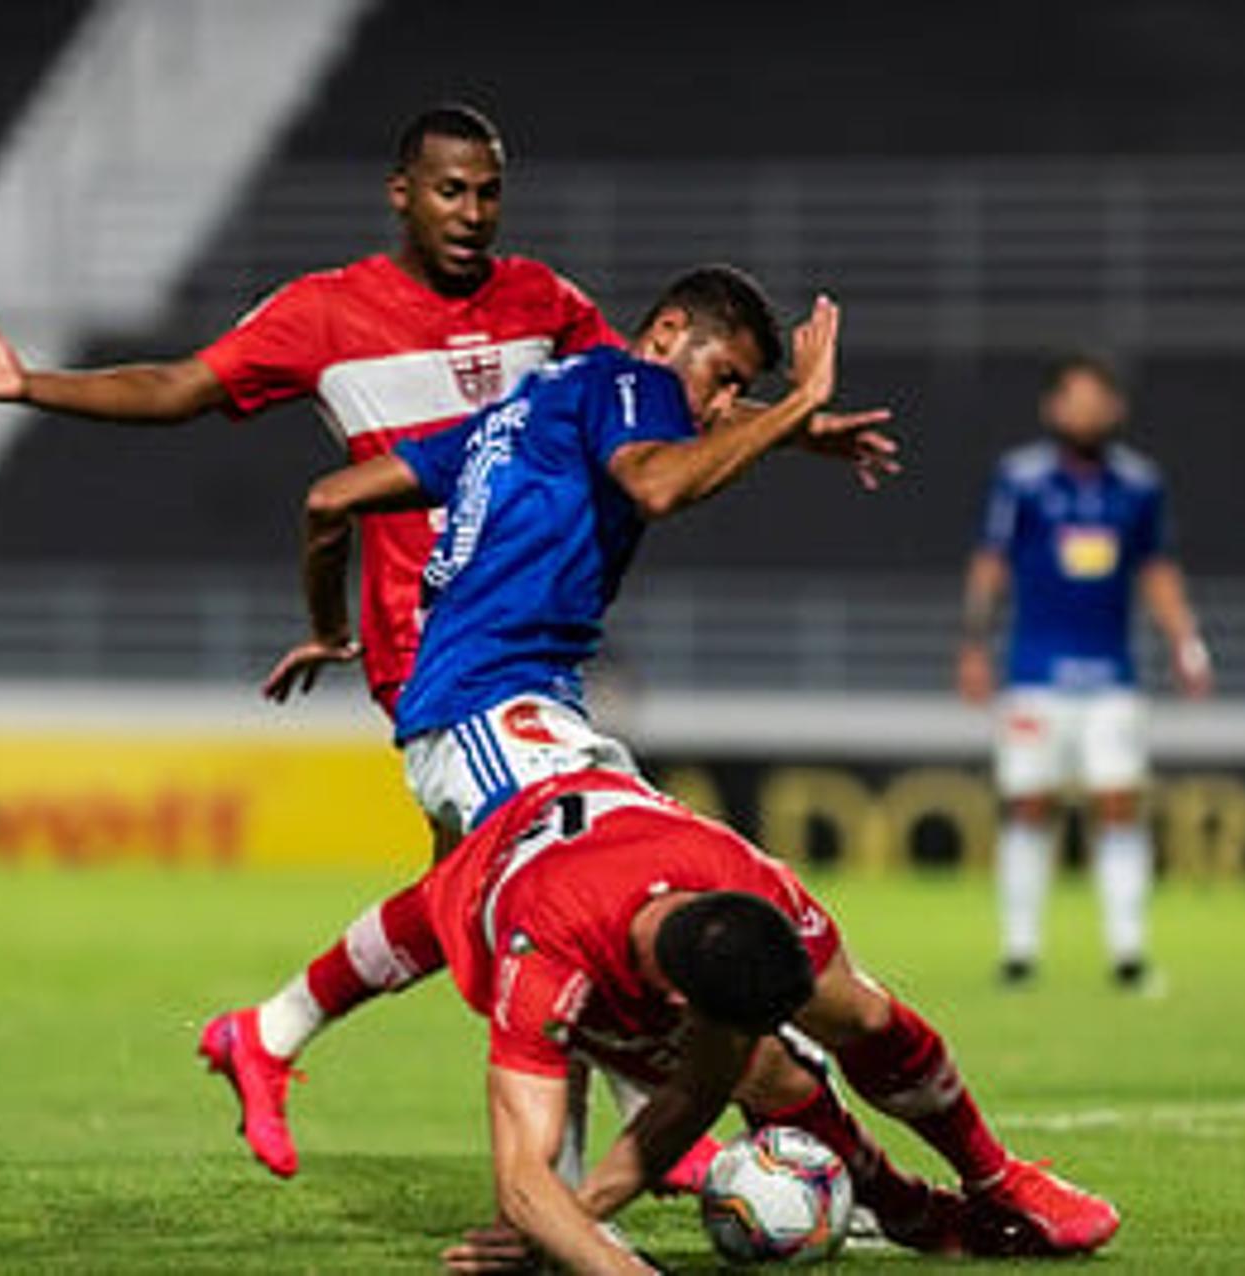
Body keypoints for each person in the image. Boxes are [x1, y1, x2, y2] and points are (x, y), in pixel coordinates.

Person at [209, 266, 898, 1179]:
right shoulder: (629, 384)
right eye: (724, 374)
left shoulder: (528, 409)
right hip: (494, 701)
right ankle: (623, 1147)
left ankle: (270, 1032)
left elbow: (329, 500)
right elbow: (656, 481)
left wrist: (331, 631)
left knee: (495, 910)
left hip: (484, 701)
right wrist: (799, 406)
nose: (725, 399)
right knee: (587, 902)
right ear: (664, 335)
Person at [0, 103, 621, 720]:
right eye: (451, 191)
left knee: (495, 856)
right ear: (402, 194)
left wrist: (720, 404)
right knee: (521, 839)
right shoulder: (323, 314)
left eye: (489, 194)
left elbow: (637, 402)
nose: (472, 214)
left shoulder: (544, 300)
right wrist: (31, 384)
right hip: (426, 638)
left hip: (535, 623)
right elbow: (174, 389)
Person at [426, 769, 1122, 1273]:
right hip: (491, 790)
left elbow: (698, 1090)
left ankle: (995, 1177)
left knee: (857, 1010)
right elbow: (522, 1177)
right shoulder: (544, 954)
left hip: (626, 822)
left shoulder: (748, 880)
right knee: (764, 1071)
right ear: (678, 1005)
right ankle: (909, 1209)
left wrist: (567, 1222)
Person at [956, 352, 1212, 992]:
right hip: (1035, 675)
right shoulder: (1020, 480)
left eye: (1100, 399)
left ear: (1117, 409)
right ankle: (1019, 951)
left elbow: (1157, 570)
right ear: (1053, 407)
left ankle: (1128, 953)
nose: (1089, 410)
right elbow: (991, 564)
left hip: (1112, 679)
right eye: (1077, 398)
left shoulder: (1139, 485)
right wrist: (974, 645)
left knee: (1120, 804)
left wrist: (1186, 641)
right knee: (1028, 806)